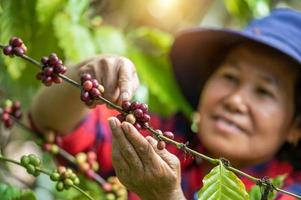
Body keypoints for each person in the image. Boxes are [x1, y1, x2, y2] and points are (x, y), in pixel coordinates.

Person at [30, 8, 301, 200]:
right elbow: (51, 124)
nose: (235, 100)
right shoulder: (167, 141)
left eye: (264, 92)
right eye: (229, 77)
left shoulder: (288, 193)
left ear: (296, 127)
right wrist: (84, 77)